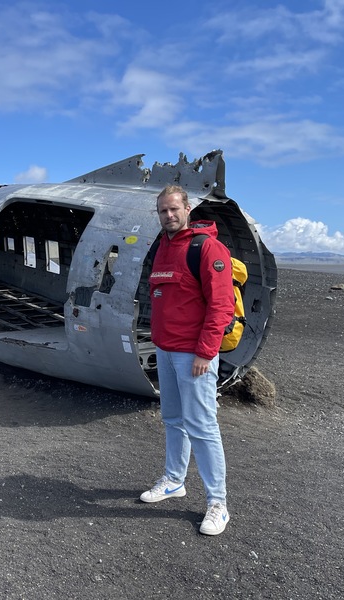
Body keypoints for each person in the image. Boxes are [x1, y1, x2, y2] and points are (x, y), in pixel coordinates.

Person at [139, 184, 236, 536]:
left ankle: (217, 503)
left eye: (173, 209)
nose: (168, 215)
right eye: (163, 210)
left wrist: (205, 353)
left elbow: (222, 305)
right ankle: (174, 480)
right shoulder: (163, 247)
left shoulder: (206, 247)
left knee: (202, 425)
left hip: (193, 355)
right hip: (166, 350)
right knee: (173, 418)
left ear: (187, 208)